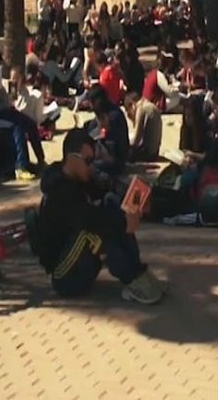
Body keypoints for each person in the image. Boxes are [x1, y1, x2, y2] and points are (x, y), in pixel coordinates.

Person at [34, 129, 166, 304]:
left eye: (93, 161)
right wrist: (124, 224)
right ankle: (130, 278)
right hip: (63, 276)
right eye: (88, 161)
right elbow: (91, 219)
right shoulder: (59, 191)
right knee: (96, 232)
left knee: (111, 202)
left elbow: (106, 189)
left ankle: (137, 272)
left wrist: (134, 200)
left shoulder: (77, 177)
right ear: (72, 159)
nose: (91, 166)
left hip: (80, 261)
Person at [123, 91, 162, 163]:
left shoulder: (141, 109)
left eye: (129, 112)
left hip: (147, 154)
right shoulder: (150, 105)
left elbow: (135, 141)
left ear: (132, 106)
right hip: (155, 152)